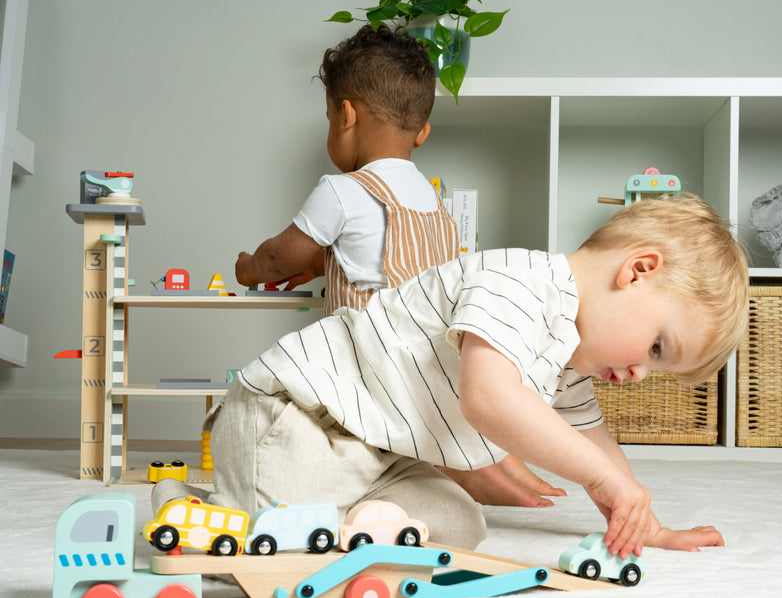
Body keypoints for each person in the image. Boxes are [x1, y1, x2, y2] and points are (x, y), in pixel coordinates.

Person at [157, 196, 748, 560]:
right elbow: (489, 400)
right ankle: (192, 503)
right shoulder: (518, 283)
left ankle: (343, 525)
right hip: (300, 417)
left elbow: (598, 449)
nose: (641, 373)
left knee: (460, 521)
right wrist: (606, 481)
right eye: (655, 347)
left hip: (380, 451)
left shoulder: (570, 362)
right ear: (637, 270)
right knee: (272, 535)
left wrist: (643, 519)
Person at [234, 24, 458, 316]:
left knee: (274, 362)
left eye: (330, 118)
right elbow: (374, 252)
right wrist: (316, 266)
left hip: (367, 353)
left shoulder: (343, 190)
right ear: (421, 133)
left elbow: (277, 258)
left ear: (346, 118)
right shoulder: (431, 197)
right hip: (428, 355)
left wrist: (248, 269)